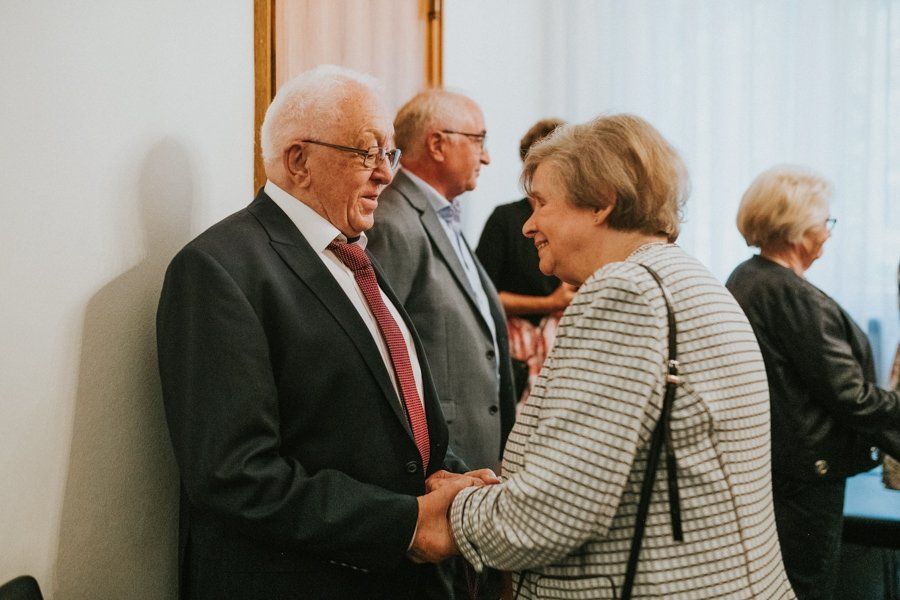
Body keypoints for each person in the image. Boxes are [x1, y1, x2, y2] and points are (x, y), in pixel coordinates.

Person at [418, 114, 796, 598]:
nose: (529, 225)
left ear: (601, 202)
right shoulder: (681, 277)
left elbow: (553, 511)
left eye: (541, 203)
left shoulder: (626, 291)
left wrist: (452, 513)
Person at [156, 65, 494, 600]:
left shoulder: (354, 254)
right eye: (368, 152)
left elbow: (388, 418)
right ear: (299, 161)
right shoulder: (219, 269)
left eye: (389, 154)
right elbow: (235, 474)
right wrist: (405, 524)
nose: (385, 174)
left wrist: (446, 478)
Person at [725, 165, 900, 600]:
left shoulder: (747, 277)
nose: (828, 232)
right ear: (797, 228)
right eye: (825, 221)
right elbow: (850, 396)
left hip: (773, 465)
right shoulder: (791, 295)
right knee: (807, 586)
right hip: (805, 476)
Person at [367, 89, 516, 474]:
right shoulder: (392, 223)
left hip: (475, 450)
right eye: (479, 140)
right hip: (440, 456)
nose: (486, 157)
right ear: (437, 144)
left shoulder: (444, 215)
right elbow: (381, 354)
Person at [476, 118, 574, 403]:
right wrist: (550, 303)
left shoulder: (576, 219)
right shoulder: (505, 220)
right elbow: (483, 297)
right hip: (517, 354)